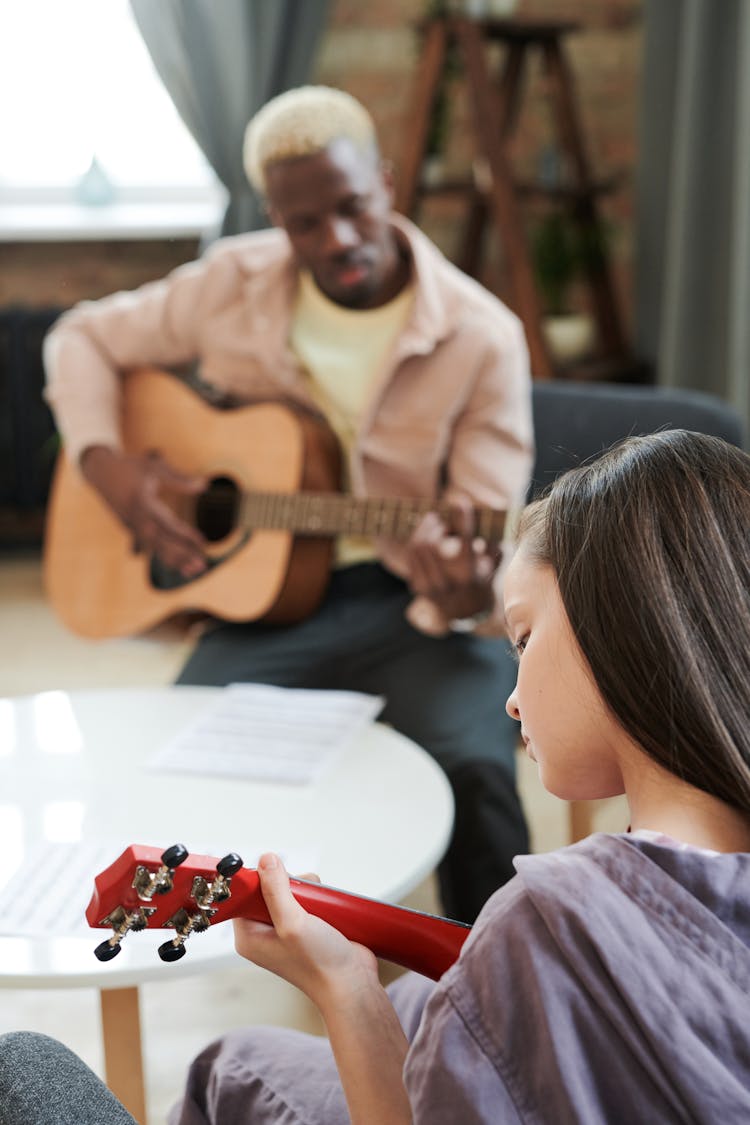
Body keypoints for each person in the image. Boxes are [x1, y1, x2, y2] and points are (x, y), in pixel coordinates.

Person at [3, 429, 748, 1125]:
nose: (513, 694)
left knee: (61, 1065)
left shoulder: (553, 921)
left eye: (523, 636)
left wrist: (348, 988)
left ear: (619, 624)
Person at [43, 85, 534, 926]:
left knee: (474, 762)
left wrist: (463, 590)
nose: (336, 240)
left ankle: (489, 977)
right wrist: (110, 471)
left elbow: (484, 533)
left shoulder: (481, 335)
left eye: (351, 207)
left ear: (385, 180)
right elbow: (77, 336)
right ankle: (272, 939)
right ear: (275, 215)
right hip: (263, 606)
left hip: (408, 609)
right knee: (168, 769)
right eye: (305, 224)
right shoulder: (232, 282)